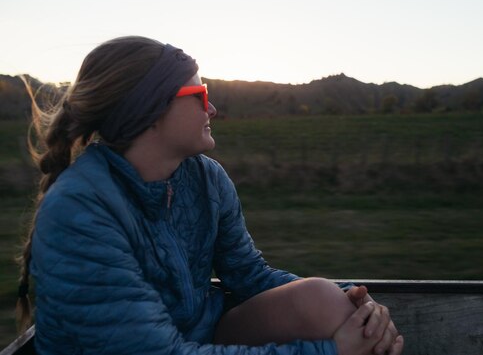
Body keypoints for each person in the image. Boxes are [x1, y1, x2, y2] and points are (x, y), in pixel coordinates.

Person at [17, 36, 404, 355]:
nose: (213, 108)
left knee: (325, 300)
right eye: (200, 94)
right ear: (150, 109)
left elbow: (248, 274)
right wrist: (330, 352)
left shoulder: (206, 178)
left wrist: (354, 303)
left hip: (196, 339)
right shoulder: (79, 211)